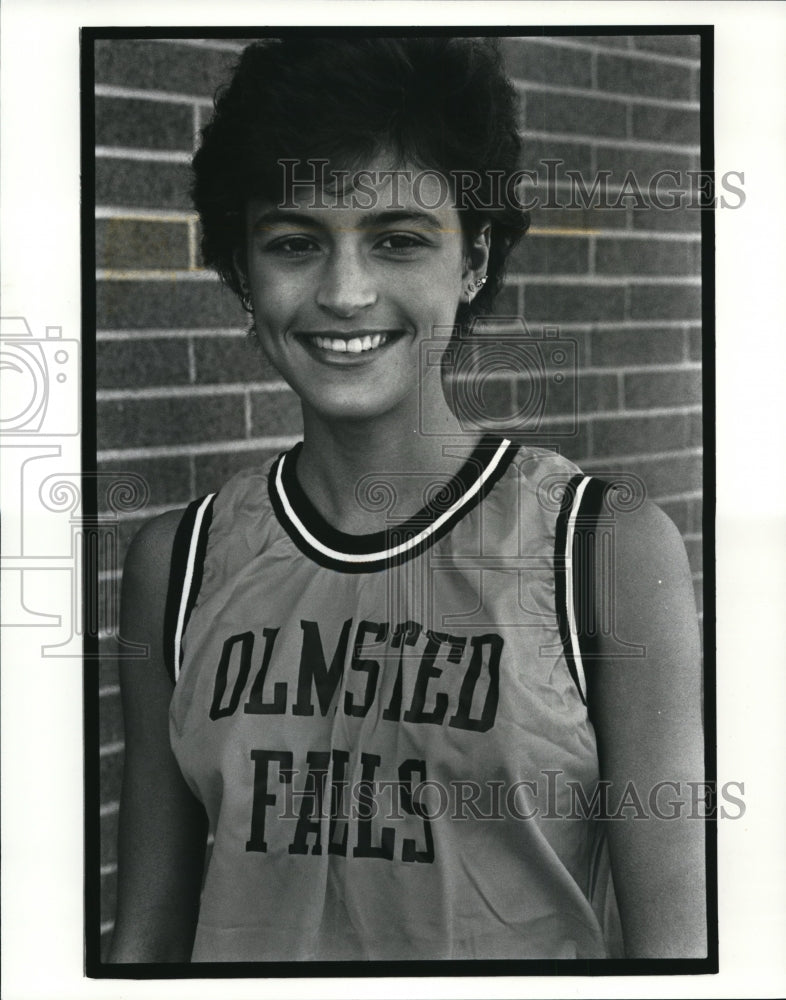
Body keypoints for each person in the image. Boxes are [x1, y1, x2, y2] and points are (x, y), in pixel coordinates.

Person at [107, 36, 706, 963]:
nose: (346, 293)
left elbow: (678, 954)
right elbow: (146, 934)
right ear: (241, 272)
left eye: (397, 240)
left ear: (473, 261)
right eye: (295, 243)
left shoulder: (603, 551)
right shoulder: (176, 563)